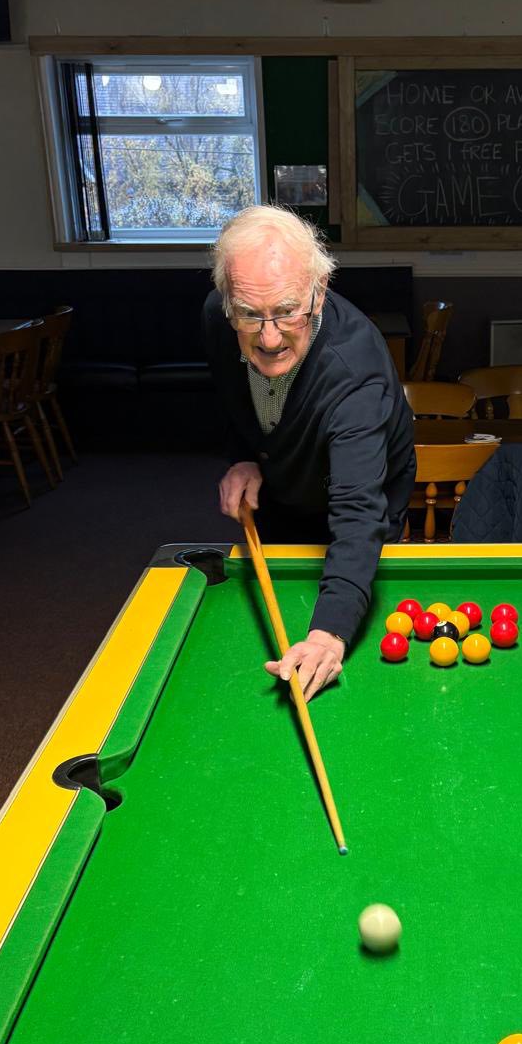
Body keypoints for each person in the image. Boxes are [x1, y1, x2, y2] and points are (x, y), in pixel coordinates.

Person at [204, 205, 415, 701]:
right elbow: (232, 393)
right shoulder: (220, 316)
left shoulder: (355, 373)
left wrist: (329, 633)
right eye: (250, 315)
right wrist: (244, 456)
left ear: (318, 295)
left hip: (359, 494)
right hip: (282, 482)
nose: (270, 336)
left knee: (348, 558)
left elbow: (360, 511)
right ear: (229, 301)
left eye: (287, 311)